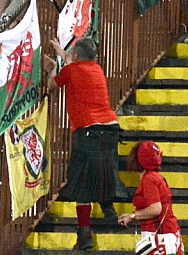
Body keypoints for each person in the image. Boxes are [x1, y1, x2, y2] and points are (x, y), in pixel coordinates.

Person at [45, 37, 128, 251]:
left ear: (76, 56)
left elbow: (52, 86)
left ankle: (84, 234)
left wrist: (52, 69)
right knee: (104, 169)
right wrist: (62, 52)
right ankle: (108, 208)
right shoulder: (97, 69)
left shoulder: (70, 70)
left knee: (81, 182)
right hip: (111, 128)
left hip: (88, 130)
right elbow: (74, 63)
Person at [118, 142, 182, 255]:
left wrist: (132, 216)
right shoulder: (155, 177)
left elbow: (155, 209)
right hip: (167, 235)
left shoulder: (149, 180)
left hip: (160, 238)